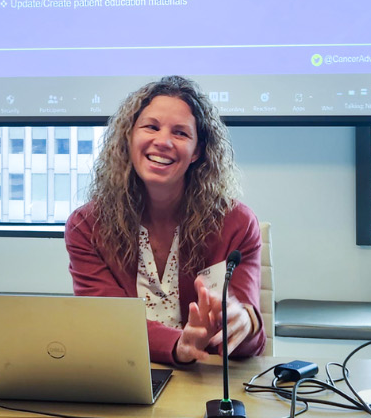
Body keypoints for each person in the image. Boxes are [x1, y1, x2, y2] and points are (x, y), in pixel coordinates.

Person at [66, 76, 266, 366]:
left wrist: (247, 323)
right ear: (129, 137)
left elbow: (249, 343)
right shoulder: (86, 225)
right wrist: (177, 345)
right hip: (123, 374)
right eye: (151, 127)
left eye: (181, 133)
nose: (163, 141)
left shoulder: (236, 223)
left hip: (204, 383)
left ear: (197, 152)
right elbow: (107, 323)